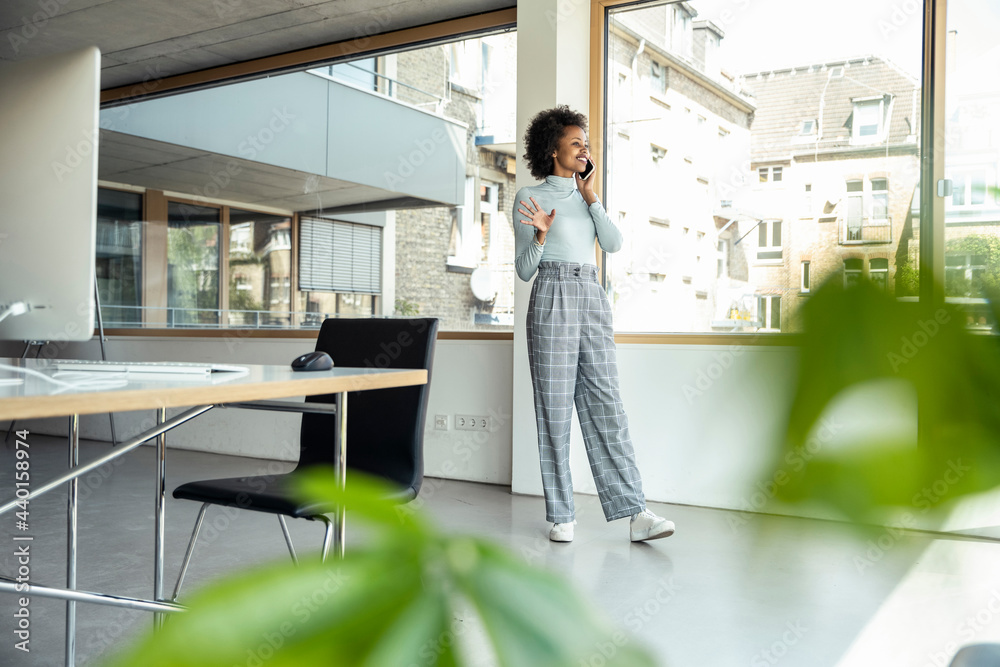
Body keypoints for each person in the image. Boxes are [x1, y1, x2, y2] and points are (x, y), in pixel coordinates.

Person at [514, 105, 675, 543]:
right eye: (576, 143)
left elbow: (614, 243)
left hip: (591, 294)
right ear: (553, 150)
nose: (585, 150)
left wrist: (591, 197)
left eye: (586, 144)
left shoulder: (587, 198)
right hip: (551, 294)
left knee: (608, 404)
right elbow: (525, 270)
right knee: (554, 408)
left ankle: (636, 512)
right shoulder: (530, 196)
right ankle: (562, 515)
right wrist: (541, 235)